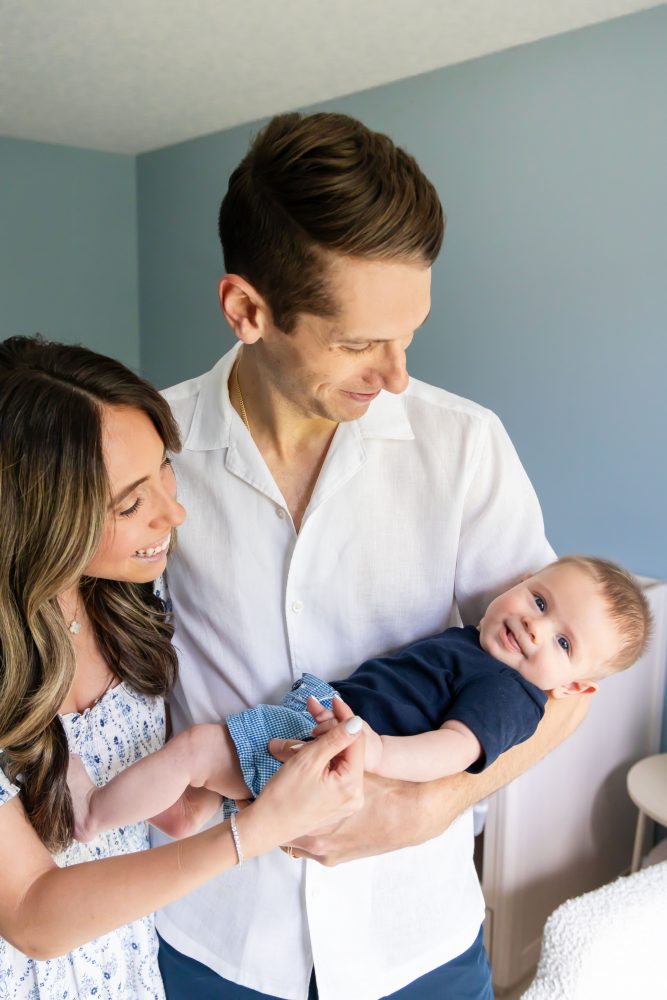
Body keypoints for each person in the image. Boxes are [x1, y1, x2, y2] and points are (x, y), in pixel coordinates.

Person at [154, 111, 590, 1000]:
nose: (394, 376)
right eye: (356, 342)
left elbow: (566, 690)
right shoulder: (146, 454)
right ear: (247, 309)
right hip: (211, 933)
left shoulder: (463, 444)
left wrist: (431, 805)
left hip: (414, 938)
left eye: (409, 335)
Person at [0, 335, 364, 1000]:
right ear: (36, 520)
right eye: (131, 504)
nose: (175, 513)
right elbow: (30, 913)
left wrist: (272, 759)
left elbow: (170, 788)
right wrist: (257, 832)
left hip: (127, 966)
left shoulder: (134, 600)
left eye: (163, 471)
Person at [68, 555, 650, 843]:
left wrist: (376, 755)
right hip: (331, 725)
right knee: (209, 784)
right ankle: (184, 810)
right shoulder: (481, 648)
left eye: (564, 642)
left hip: (336, 748)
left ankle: (91, 813)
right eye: (540, 601)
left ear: (575, 687)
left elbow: (455, 749)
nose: (533, 627)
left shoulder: (512, 695)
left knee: (198, 747)